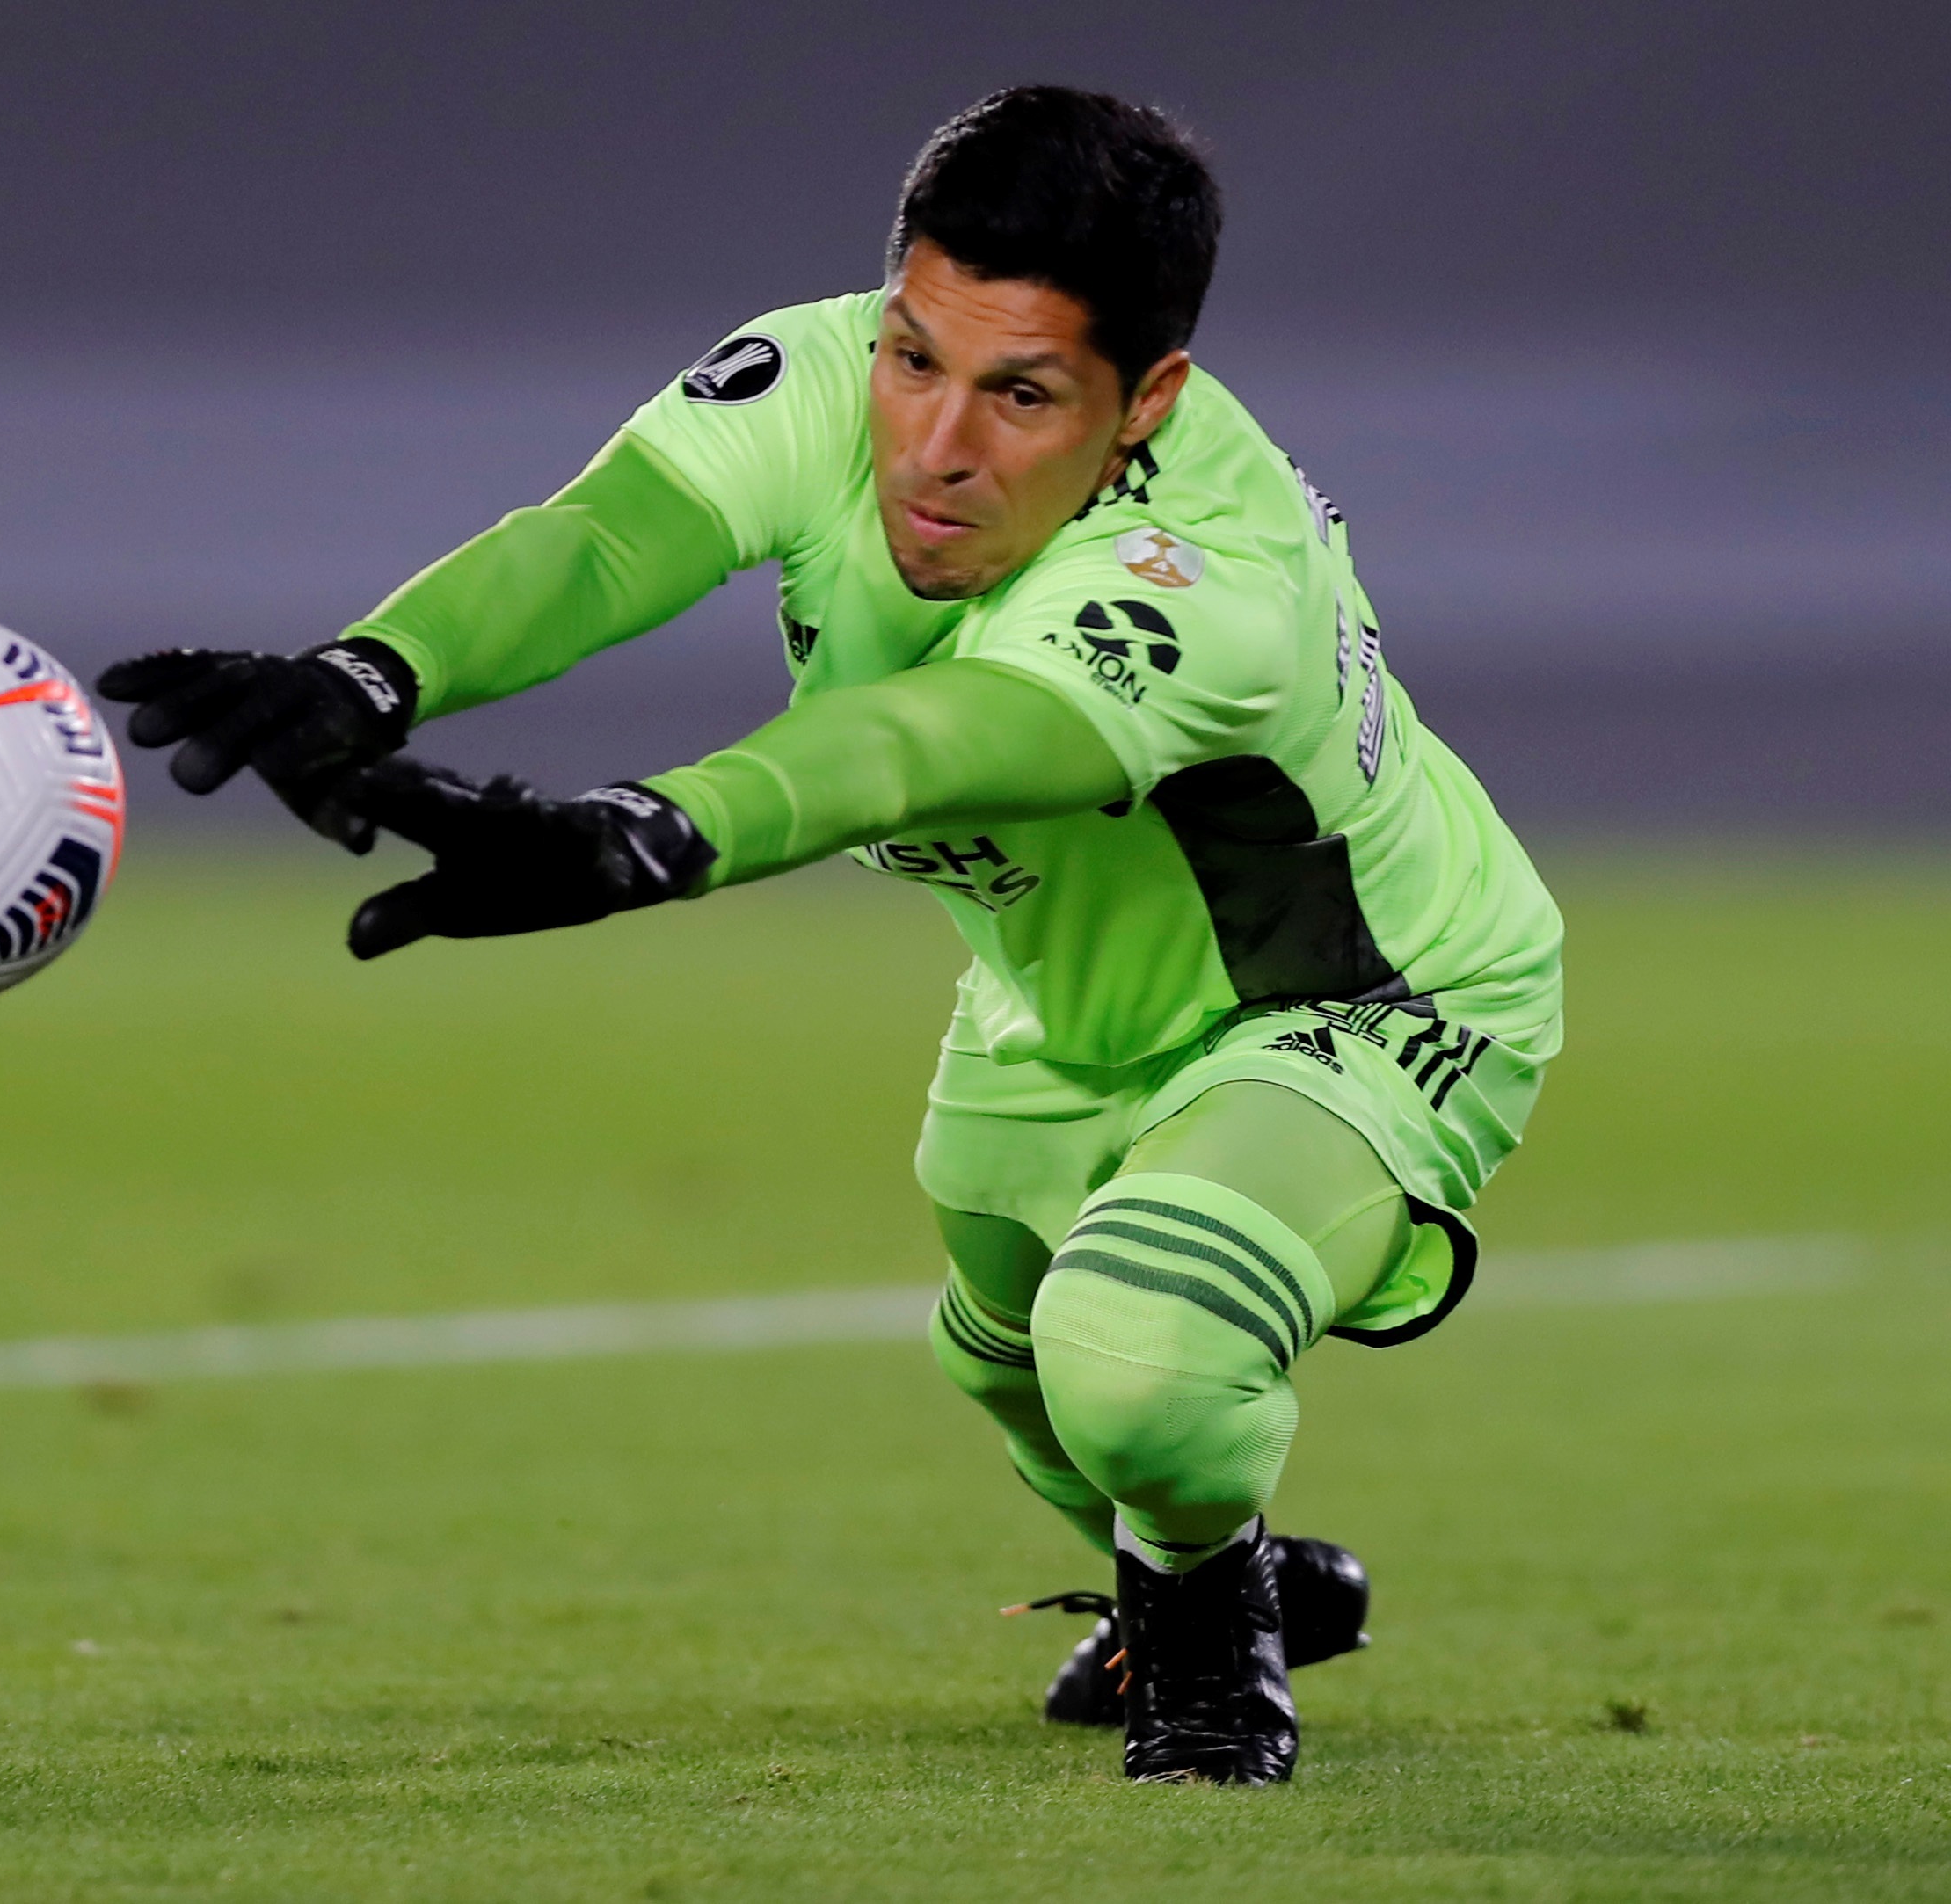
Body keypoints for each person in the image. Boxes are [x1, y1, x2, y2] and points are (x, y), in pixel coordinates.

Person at [96, 85, 1562, 1787]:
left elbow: (915, 747)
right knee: (1011, 1370)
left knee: (1137, 1360)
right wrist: (368, 672)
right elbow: (600, 539)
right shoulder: (826, 372)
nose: (935, 445)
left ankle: (1211, 1655)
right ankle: (1213, 1566)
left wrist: (632, 838)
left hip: (1365, 1000)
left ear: (1142, 401)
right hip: (1051, 1000)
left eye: (1022, 395)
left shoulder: (1208, 574)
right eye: (915, 356)